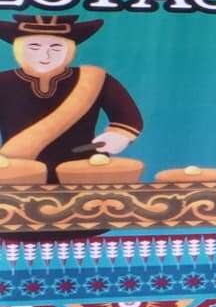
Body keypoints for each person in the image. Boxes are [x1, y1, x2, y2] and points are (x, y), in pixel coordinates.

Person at [4, 12, 140, 183]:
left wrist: (117, 136)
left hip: (84, 166)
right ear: (18, 49)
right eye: (34, 47)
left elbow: (127, 117)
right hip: (17, 169)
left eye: (56, 48)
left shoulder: (95, 78)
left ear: (69, 50)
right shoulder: (3, 81)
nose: (45, 56)